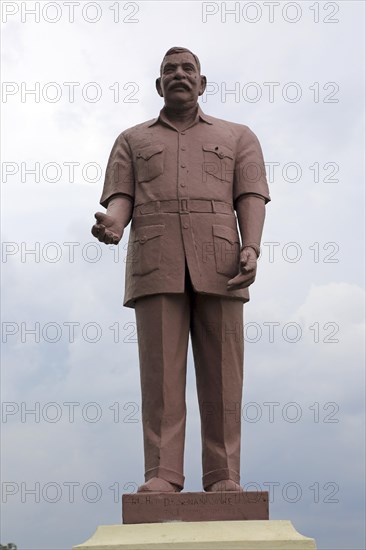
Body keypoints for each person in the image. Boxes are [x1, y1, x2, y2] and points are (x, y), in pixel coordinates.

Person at [92, 47, 270, 493]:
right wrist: (114, 222)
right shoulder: (133, 139)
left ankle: (224, 475)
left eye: (187, 68)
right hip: (156, 260)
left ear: (202, 82)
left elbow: (250, 194)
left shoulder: (238, 136)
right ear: (158, 86)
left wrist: (251, 246)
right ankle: (162, 474)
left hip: (222, 262)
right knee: (160, 378)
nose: (179, 75)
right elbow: (121, 196)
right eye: (169, 70)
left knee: (224, 377)